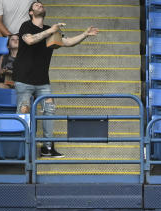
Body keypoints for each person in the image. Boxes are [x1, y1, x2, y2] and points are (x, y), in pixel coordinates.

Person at [15, 1, 97, 157]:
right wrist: (51, 30)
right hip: (24, 78)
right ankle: (22, 150)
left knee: (50, 110)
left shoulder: (49, 30)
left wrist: (85, 34)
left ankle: (47, 147)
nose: (40, 6)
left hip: (42, 80)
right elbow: (30, 40)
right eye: (36, 6)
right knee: (24, 111)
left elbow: (68, 42)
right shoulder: (26, 26)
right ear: (31, 12)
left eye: (41, 5)